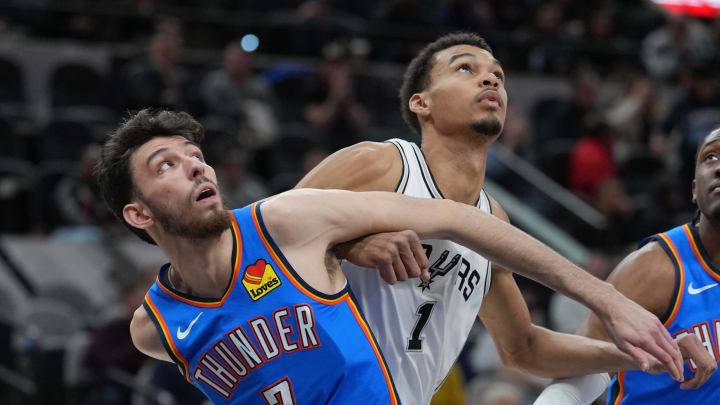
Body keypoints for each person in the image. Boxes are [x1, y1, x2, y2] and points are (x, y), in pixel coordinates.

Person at [95, 109, 684, 404]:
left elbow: (457, 219)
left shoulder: (284, 222)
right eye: (165, 165)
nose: (195, 164)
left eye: (194, 154)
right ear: (138, 215)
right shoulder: (155, 329)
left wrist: (608, 300)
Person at [295, 32, 697, 405]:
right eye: (465, 69)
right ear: (422, 102)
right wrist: (351, 244)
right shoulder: (383, 164)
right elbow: (258, 239)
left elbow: (523, 349)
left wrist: (650, 354)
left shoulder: (494, 222)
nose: (490, 81)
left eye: (498, 77)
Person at [534, 128, 720, 404]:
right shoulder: (657, 266)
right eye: (711, 157)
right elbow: (580, 367)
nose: (718, 168)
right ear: (694, 190)